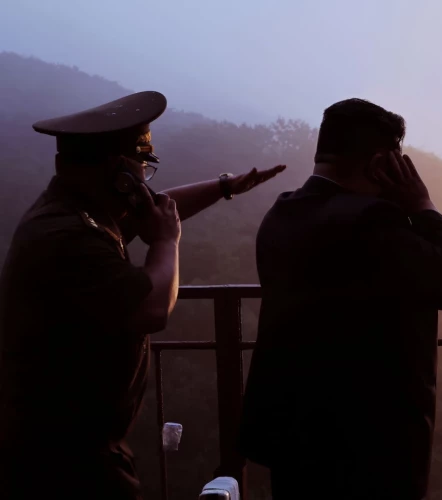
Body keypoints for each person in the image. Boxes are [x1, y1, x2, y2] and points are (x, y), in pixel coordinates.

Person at [0, 90, 285, 499]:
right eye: (142, 172)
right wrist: (166, 242)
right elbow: (152, 308)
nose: (145, 186)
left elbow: (158, 207)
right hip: (63, 461)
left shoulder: (78, 211)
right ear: (119, 173)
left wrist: (225, 187)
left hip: (70, 445)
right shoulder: (66, 237)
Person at [240, 98, 442, 499]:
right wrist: (422, 204)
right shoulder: (369, 223)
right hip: (368, 449)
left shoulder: (281, 213)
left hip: (291, 436)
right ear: (382, 164)